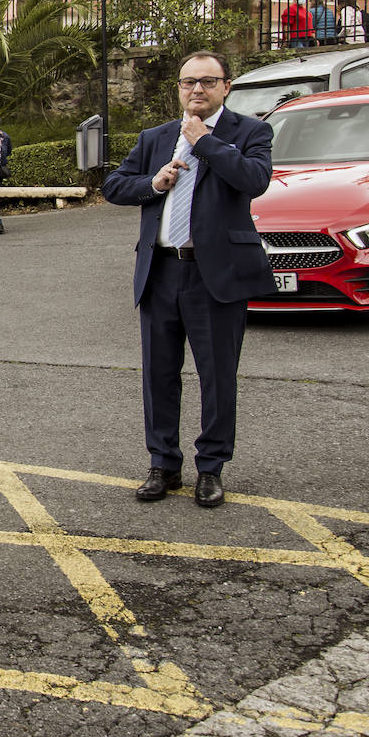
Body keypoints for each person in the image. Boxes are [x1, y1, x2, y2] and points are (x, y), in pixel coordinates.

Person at [100, 51, 275, 509]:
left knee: (217, 376)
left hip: (214, 274)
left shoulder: (250, 132)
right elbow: (115, 185)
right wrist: (152, 184)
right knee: (159, 374)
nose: (196, 89)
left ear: (226, 86)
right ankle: (163, 464)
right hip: (160, 270)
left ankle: (211, 468)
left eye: (207, 81)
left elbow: (254, 180)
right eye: (187, 82)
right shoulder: (155, 137)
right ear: (178, 88)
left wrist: (204, 142)